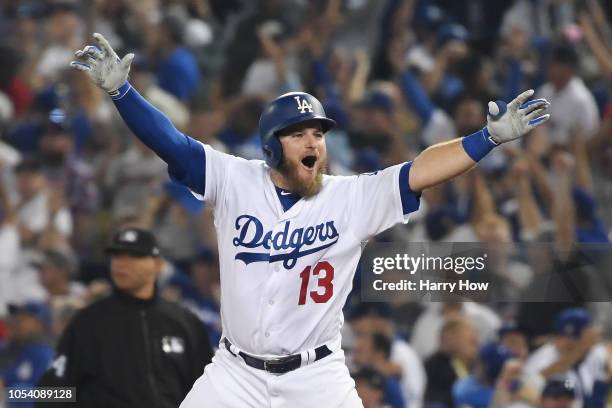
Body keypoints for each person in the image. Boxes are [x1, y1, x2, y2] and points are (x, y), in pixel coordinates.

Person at [69, 33, 550, 408]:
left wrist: (486, 139)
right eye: (297, 134)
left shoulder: (351, 196)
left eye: (317, 133)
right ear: (270, 147)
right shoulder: (234, 180)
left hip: (317, 376)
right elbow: (173, 143)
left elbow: (420, 170)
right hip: (236, 373)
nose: (312, 143)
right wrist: (123, 93)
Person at [36, 228, 213, 408]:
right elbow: (49, 393)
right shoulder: (88, 322)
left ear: (157, 264)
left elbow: (210, 391)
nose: (122, 265)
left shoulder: (185, 322)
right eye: (117, 257)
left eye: (133, 256)